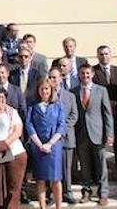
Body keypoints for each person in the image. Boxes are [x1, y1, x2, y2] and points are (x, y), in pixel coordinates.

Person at [72, 63, 113, 206]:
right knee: (84, 166)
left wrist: (109, 133)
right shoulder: (73, 92)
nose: (85, 76)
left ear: (92, 74)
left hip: (98, 133)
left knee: (101, 166)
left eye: (88, 73)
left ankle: (103, 193)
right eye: (82, 73)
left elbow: (107, 113)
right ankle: (86, 191)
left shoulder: (101, 90)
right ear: (79, 74)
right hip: (81, 135)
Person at [25, 79, 67, 209]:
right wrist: (39, 144)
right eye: (42, 88)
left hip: (54, 147)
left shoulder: (58, 105)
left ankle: (58, 206)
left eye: (47, 88)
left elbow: (61, 125)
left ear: (51, 90)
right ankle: (43, 207)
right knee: (40, 178)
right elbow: (29, 125)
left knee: (55, 179)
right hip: (38, 146)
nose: (44, 91)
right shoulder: (33, 106)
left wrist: (49, 144)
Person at [91, 45, 117, 184]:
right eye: (101, 54)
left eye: (106, 53)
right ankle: (98, 178)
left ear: (110, 55)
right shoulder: (93, 71)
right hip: (100, 115)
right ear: (97, 56)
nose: (104, 56)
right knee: (98, 148)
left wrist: (116, 103)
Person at [47, 66, 79, 204]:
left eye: (55, 77)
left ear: (61, 78)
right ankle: (51, 194)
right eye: (50, 77)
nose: (53, 80)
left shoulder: (70, 95)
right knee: (51, 167)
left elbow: (74, 115)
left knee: (66, 167)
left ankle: (67, 192)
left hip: (65, 137)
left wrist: (61, 131)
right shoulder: (45, 94)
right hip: (50, 138)